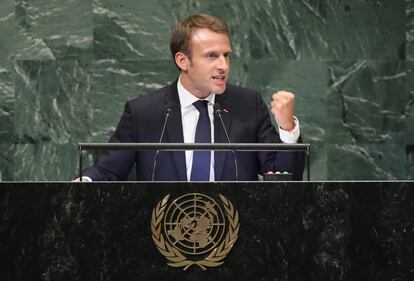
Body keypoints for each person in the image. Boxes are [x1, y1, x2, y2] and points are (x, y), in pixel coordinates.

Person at [79, 14, 304, 181]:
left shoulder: (248, 105)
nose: (223, 65)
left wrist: (286, 128)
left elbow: (281, 178)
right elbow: (107, 171)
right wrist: (82, 184)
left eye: (226, 56)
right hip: (164, 235)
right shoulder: (145, 112)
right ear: (182, 61)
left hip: (234, 234)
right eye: (212, 56)